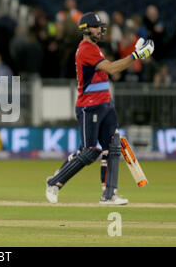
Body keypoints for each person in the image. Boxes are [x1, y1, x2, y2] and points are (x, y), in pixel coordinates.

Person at [45, 12, 154, 205]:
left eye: (100, 26)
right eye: (96, 27)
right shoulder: (86, 49)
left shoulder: (95, 48)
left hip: (106, 104)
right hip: (90, 107)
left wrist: (133, 52)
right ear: (86, 29)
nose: (100, 30)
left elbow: (112, 70)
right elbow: (112, 69)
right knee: (89, 152)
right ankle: (54, 183)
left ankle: (109, 194)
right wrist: (136, 55)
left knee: (112, 147)